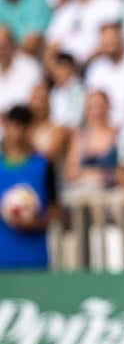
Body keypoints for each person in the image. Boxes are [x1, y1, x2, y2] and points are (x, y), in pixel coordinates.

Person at [0, 106, 60, 271]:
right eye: (12, 126)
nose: (16, 132)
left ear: (30, 129)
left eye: (22, 126)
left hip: (34, 257)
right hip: (3, 256)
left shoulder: (43, 165)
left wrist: (35, 223)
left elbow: (55, 209)